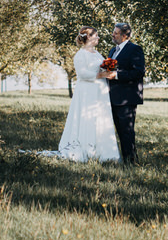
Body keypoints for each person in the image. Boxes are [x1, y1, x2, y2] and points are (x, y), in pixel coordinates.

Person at [40, 26, 121, 163]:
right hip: (87, 92)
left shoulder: (97, 54)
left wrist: (107, 68)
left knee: (100, 118)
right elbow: (82, 74)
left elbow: (100, 66)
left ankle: (103, 152)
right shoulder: (81, 54)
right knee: (87, 118)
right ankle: (86, 150)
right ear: (88, 37)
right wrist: (101, 74)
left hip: (100, 91)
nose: (98, 38)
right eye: (96, 35)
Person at [106, 22, 144, 166]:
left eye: (115, 33)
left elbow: (139, 72)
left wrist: (116, 75)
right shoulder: (112, 50)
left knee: (126, 131)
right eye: (113, 32)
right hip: (112, 97)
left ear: (125, 35)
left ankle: (131, 161)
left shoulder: (135, 49)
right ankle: (123, 159)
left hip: (127, 98)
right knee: (118, 131)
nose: (113, 35)